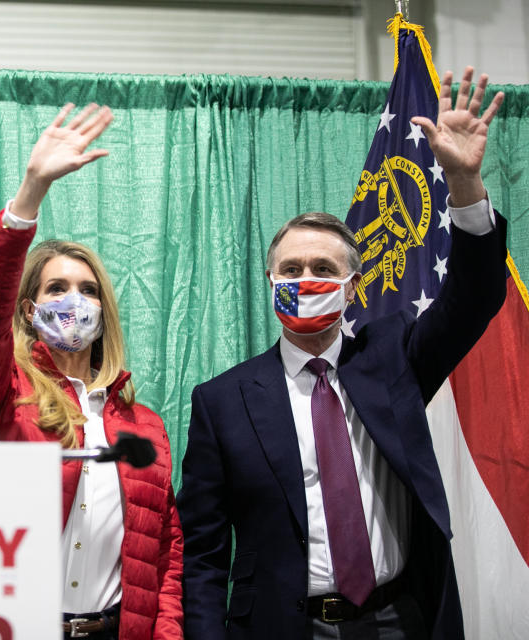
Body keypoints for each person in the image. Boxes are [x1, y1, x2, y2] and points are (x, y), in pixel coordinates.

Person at [177, 67, 508, 639]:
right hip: (283, 628)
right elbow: (203, 554)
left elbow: (475, 296)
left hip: (399, 619)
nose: (305, 279)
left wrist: (463, 184)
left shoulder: (393, 355)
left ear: (352, 286)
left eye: (323, 269)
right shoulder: (222, 401)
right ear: (270, 278)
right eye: (292, 269)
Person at [0, 104, 183, 639]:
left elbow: (165, 553)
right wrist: (30, 194)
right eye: (56, 289)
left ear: (104, 311)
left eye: (87, 290)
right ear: (30, 312)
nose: (74, 300)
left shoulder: (145, 424)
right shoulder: (1, 396)